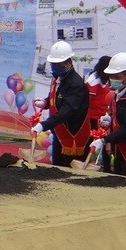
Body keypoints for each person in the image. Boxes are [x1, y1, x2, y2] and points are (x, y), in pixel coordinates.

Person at [34, 40, 90, 168]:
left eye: (58, 64)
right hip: (59, 133)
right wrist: (45, 102)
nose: (54, 67)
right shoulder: (58, 78)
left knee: (68, 171)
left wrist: (44, 125)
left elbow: (67, 110)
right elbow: (55, 96)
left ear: (68, 63)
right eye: (53, 64)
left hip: (72, 134)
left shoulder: (76, 84)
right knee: (56, 167)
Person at [88, 52, 126, 176]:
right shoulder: (118, 93)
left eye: (117, 76)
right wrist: (110, 119)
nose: (113, 79)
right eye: (111, 76)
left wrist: (105, 140)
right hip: (118, 147)